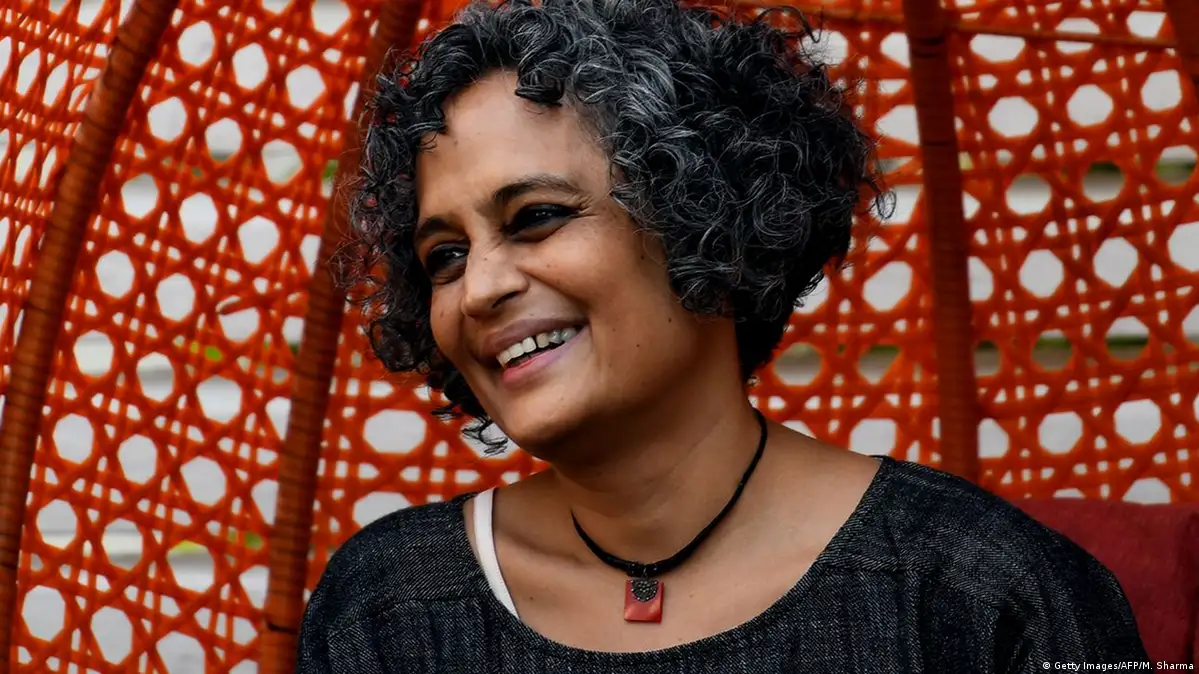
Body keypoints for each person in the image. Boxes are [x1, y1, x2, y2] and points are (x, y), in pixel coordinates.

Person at [298, 0, 1149, 670]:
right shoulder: (388, 608)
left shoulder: (981, 592)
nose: (480, 288)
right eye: (444, 257)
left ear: (704, 215)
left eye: (537, 217)